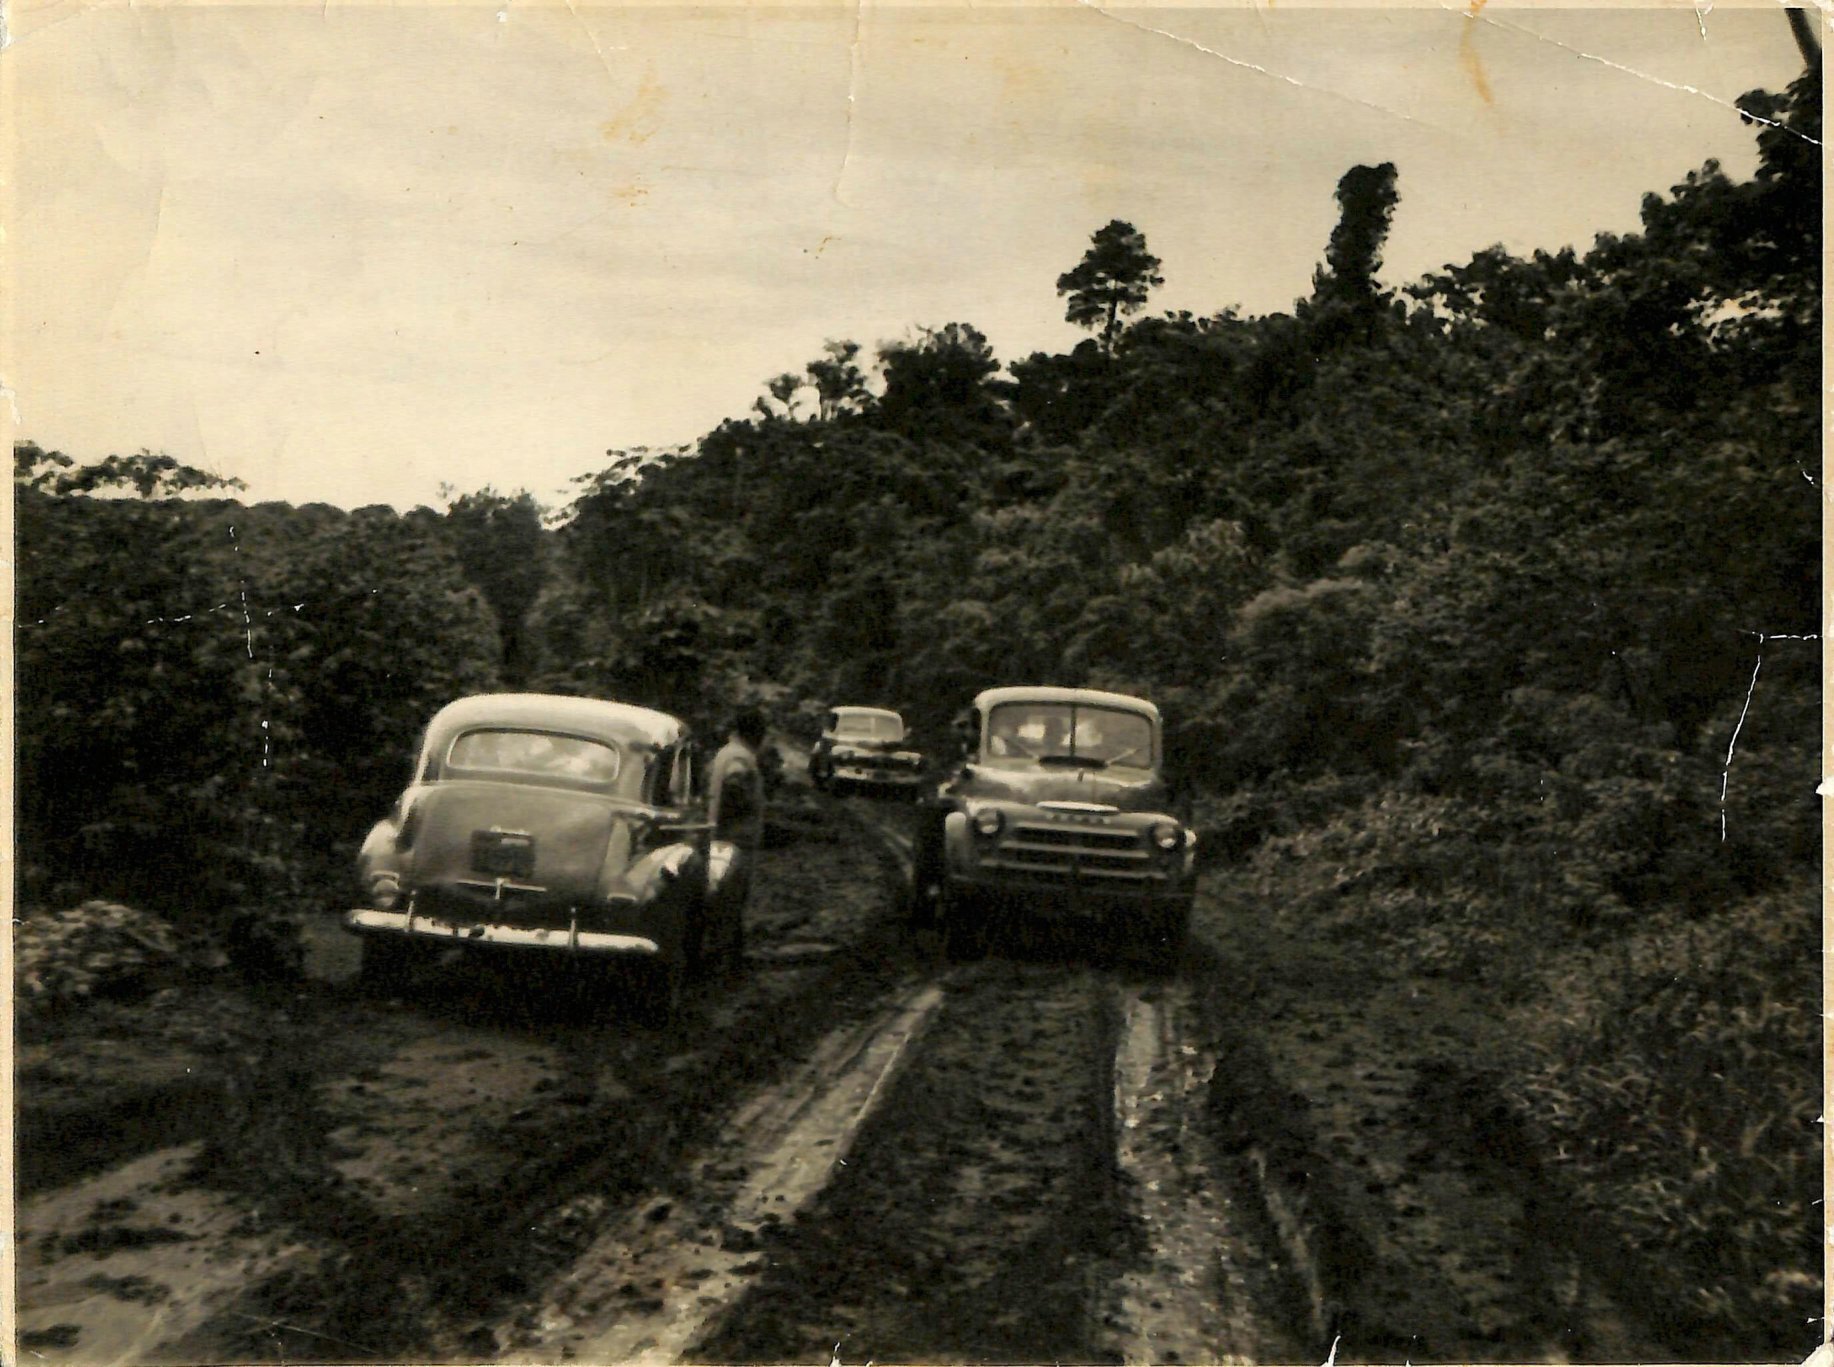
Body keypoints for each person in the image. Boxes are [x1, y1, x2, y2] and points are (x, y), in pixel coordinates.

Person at [708, 705, 768, 854]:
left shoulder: (726, 752)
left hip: (721, 834)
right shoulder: (741, 757)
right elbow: (733, 787)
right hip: (735, 840)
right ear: (756, 733)